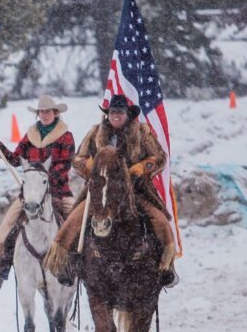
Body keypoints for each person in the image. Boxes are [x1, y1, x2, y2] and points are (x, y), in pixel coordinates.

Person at [51, 94, 177, 287]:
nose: (115, 116)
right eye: (112, 112)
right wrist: (91, 166)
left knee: (159, 220)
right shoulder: (95, 134)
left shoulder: (142, 133)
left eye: (119, 112)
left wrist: (142, 167)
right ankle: (67, 262)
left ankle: (166, 266)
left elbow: (159, 157)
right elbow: (77, 160)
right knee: (74, 220)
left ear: (128, 114)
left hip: (136, 190)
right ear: (107, 114)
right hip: (101, 191)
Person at [0, 94, 76, 287]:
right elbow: (16, 159)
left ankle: (75, 267)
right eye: (42, 111)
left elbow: (65, 164)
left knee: (77, 224)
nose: (45, 115)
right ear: (38, 114)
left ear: (55, 113)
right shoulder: (31, 134)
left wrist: (44, 178)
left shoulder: (65, 136)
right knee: (7, 226)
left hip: (59, 192)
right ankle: (0, 268)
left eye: (48, 111)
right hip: (31, 193)